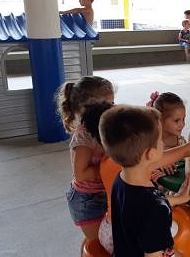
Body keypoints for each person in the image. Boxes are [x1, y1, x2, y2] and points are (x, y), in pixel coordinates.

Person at [98, 104, 190, 257]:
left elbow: (185, 150)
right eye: (160, 141)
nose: (163, 145)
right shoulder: (155, 211)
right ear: (150, 154)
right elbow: (153, 253)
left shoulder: (122, 179)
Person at [56, 76, 115, 252]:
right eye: (107, 104)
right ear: (87, 108)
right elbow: (81, 173)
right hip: (87, 200)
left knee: (99, 241)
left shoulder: (104, 127)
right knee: (99, 244)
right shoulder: (83, 136)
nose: (112, 108)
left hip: (104, 193)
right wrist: (108, 169)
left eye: (113, 103)